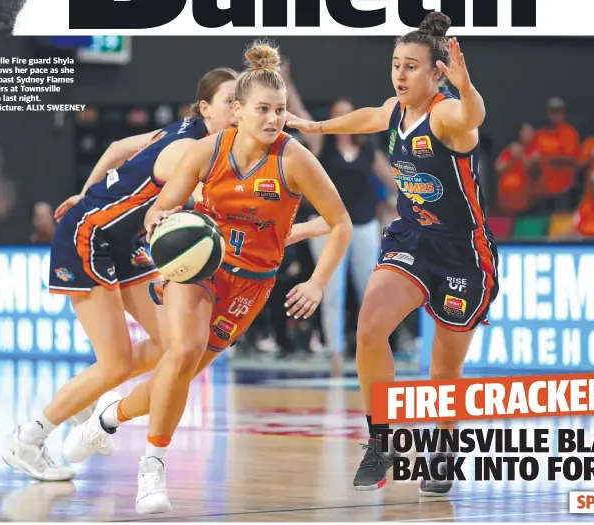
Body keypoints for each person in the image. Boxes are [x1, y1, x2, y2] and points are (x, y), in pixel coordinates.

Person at [61, 39, 352, 515]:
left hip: (252, 285)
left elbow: (340, 222)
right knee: (182, 353)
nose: (274, 119)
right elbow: (164, 204)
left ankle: (108, 418)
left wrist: (317, 282)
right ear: (236, 110)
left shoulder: (294, 158)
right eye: (263, 109)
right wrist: (158, 224)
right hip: (199, 267)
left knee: (177, 377)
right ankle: (153, 466)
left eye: (280, 110)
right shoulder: (203, 150)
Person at [286, 12, 499, 496]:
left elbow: (474, 117)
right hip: (412, 239)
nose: (400, 75)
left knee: (444, 369)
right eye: (396, 65)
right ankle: (381, 440)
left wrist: (467, 90)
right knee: (369, 326)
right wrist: (312, 123)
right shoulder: (397, 108)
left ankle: (444, 445)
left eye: (411, 67)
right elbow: (369, 117)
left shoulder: (447, 113)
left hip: (463, 252)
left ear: (436, 72)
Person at [0, 67, 241, 482]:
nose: (237, 110)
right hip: (88, 236)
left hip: (122, 241)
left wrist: (86, 189)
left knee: (174, 345)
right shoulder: (189, 149)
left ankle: (83, 398)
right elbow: (206, 204)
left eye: (241, 102)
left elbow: (114, 147)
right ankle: (27, 439)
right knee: (115, 364)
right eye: (229, 102)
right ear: (206, 108)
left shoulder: (182, 132)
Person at [283, 62, 396, 375]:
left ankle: (371, 349)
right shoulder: (323, 145)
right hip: (328, 226)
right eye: (338, 113)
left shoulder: (368, 150)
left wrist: (397, 207)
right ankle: (335, 353)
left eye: (348, 112)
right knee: (331, 292)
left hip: (364, 226)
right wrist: (288, 82)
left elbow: (395, 183)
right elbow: (301, 113)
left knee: (368, 291)